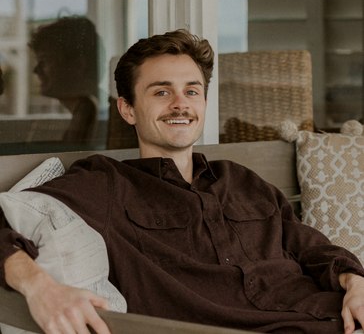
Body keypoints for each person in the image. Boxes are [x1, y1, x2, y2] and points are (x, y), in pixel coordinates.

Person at [1, 29, 364, 334]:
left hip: (340, 318)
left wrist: (355, 282)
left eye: (191, 91)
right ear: (128, 109)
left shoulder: (242, 180)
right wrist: (40, 288)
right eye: (161, 92)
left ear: (204, 102)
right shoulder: (106, 184)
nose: (180, 104)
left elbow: (312, 249)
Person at [28, 16, 99, 146]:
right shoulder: (83, 111)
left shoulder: (91, 110)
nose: (36, 70)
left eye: (45, 61)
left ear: (78, 65)